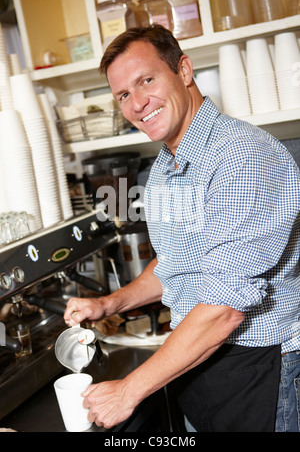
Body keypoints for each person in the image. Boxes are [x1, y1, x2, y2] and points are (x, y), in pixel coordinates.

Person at [64, 25, 300, 432]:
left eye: (146, 80)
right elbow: (178, 262)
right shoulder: (164, 169)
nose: (137, 103)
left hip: (258, 369)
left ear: (184, 70)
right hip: (198, 363)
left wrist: (128, 390)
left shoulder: (241, 156)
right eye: (123, 95)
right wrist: (110, 304)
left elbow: (225, 308)